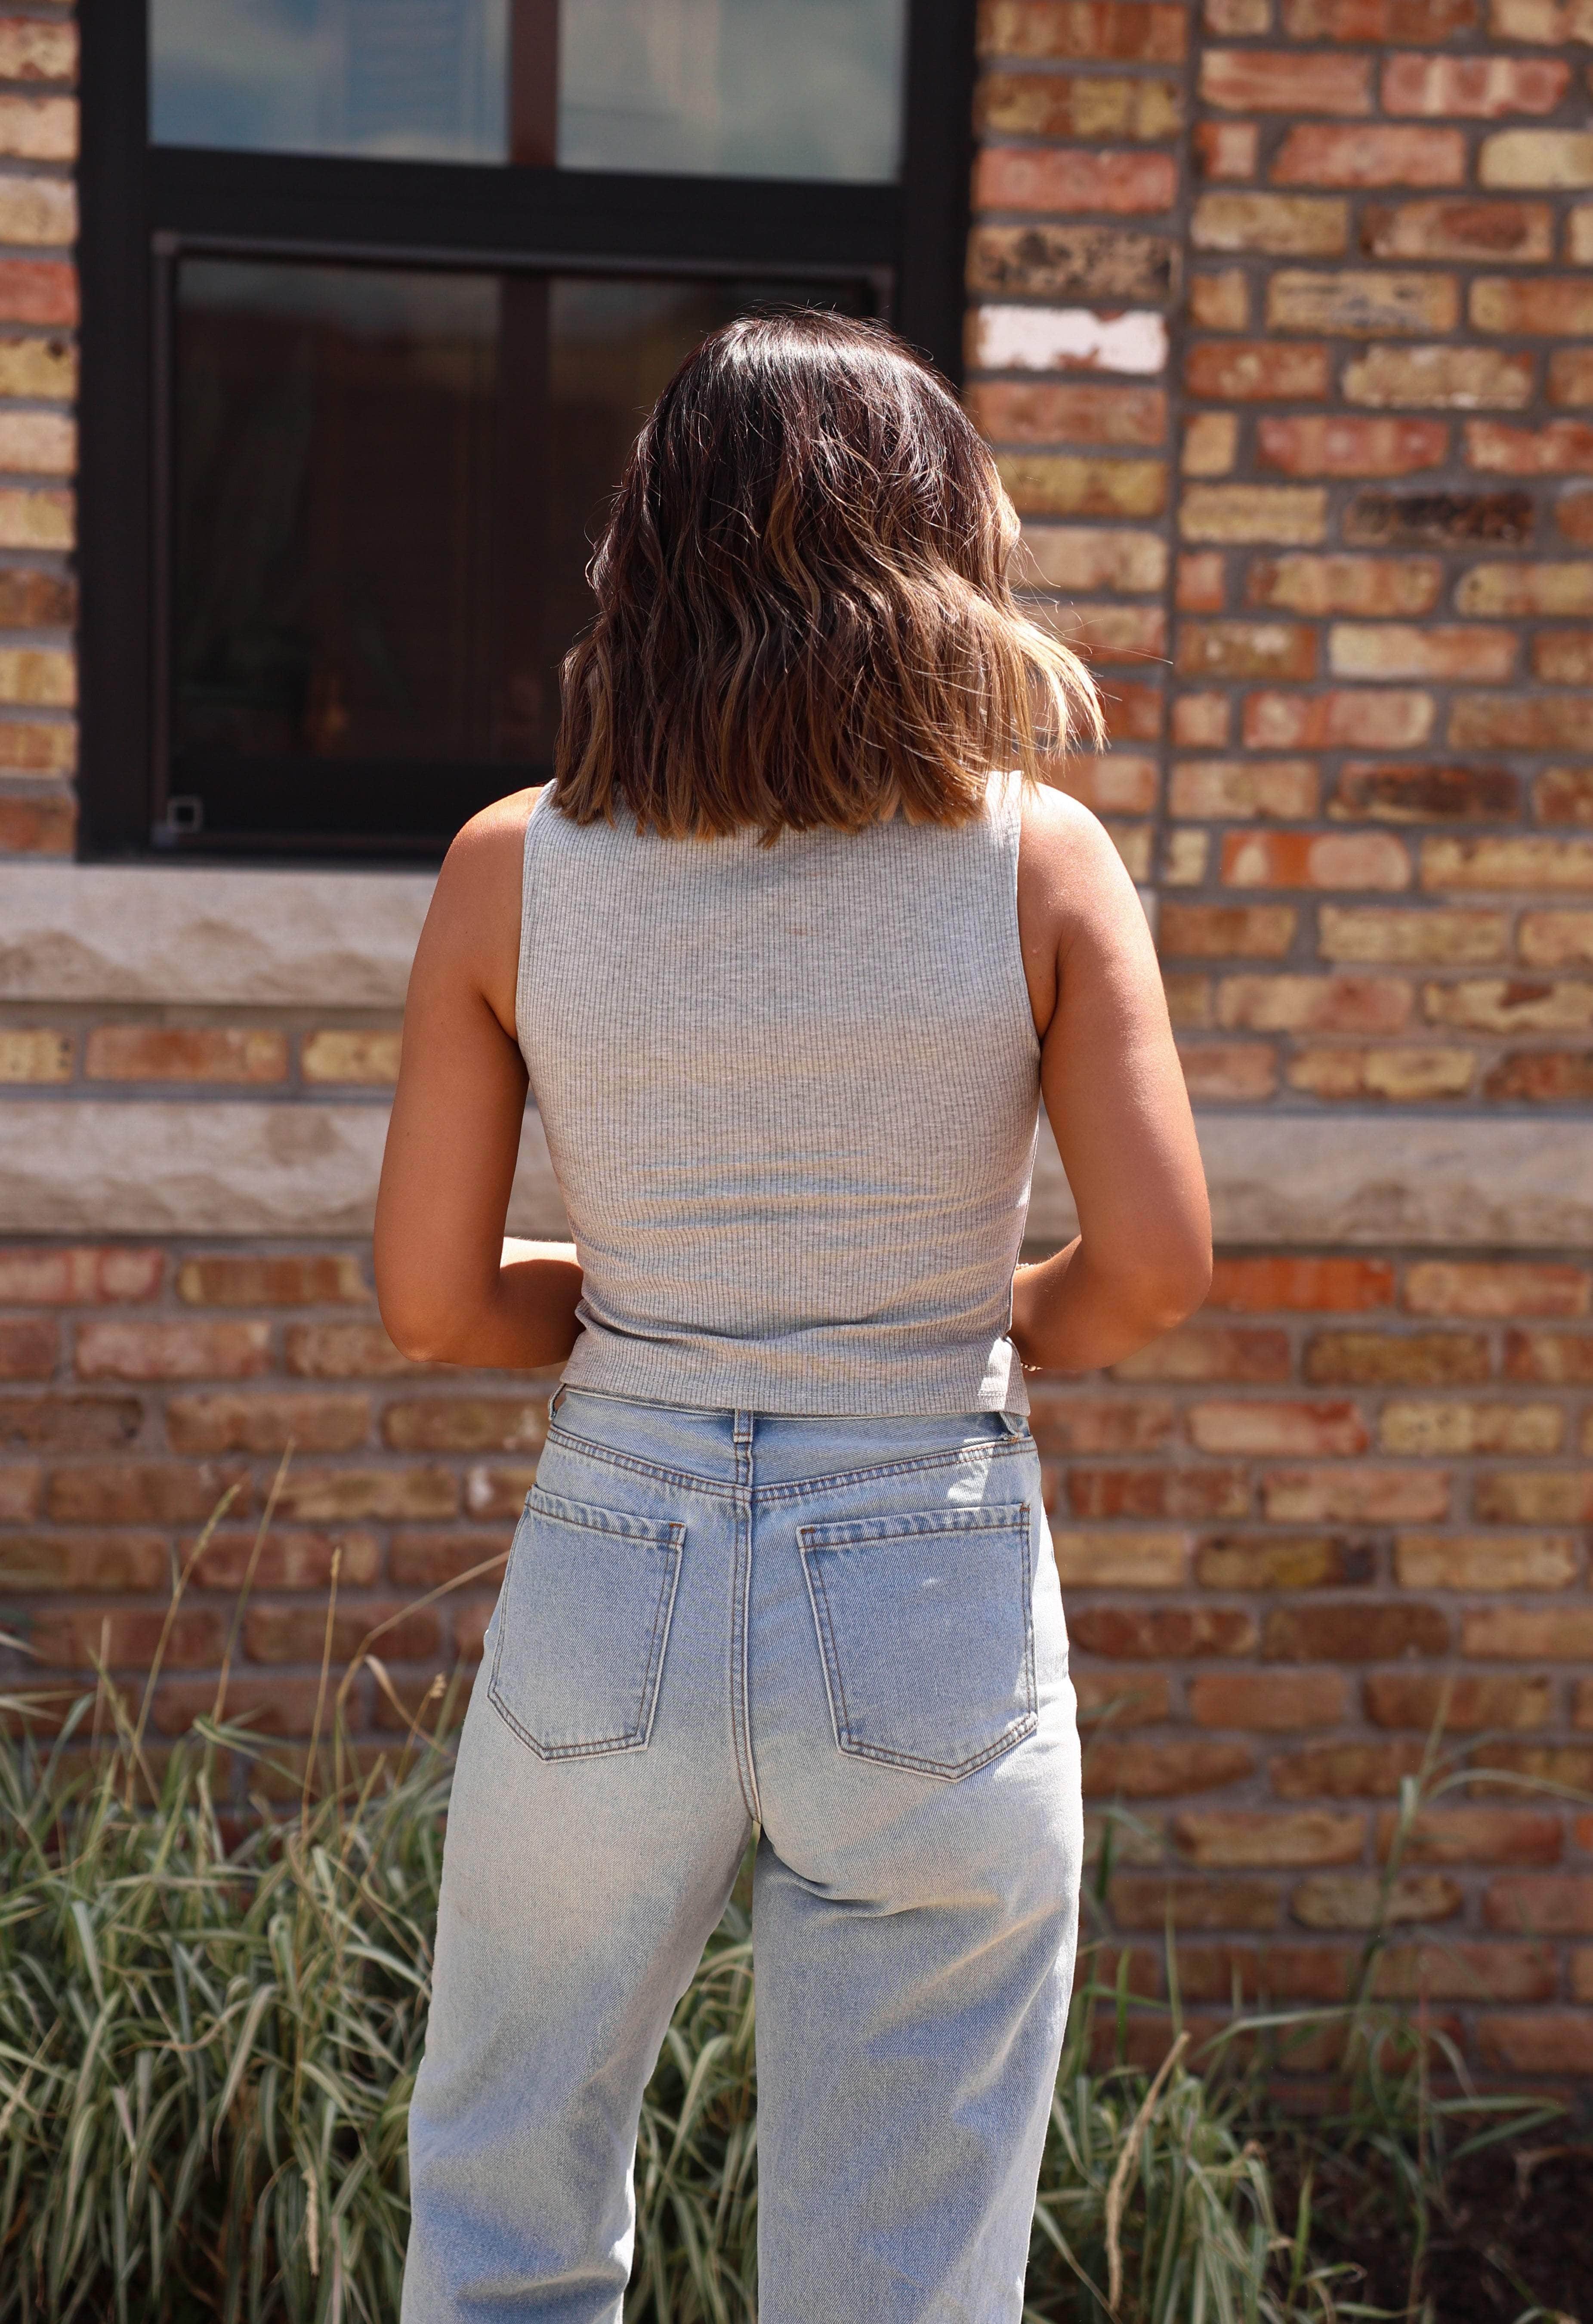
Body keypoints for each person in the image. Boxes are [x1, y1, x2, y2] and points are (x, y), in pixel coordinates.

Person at [375, 310, 1210, 2324]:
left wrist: (653, 1308)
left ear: (645, 556)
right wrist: (966, 1319)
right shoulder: (1039, 863)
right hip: (924, 1572)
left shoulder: (510, 866)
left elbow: (432, 1299)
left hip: (616, 1565)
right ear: (946, 544)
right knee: (897, 2274)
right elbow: (1151, 1266)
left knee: (505, 2207)